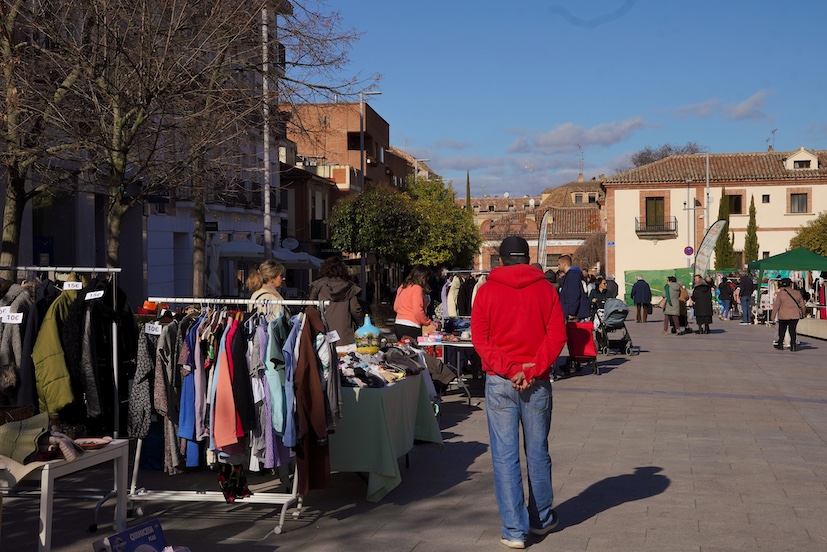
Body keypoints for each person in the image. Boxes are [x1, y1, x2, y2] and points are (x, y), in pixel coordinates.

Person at [471, 236, 566, 549]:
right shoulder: (547, 290)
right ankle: (540, 518)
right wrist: (533, 368)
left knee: (505, 455)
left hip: (501, 381)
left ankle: (514, 530)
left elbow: (480, 339)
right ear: (527, 259)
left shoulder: (486, 292)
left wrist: (510, 369)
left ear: (500, 260)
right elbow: (557, 336)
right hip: (536, 381)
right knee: (538, 452)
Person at [308, 256, 363, 346]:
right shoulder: (349, 287)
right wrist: (362, 323)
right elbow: (355, 309)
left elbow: (311, 308)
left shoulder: (318, 286)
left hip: (323, 331)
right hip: (345, 333)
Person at [393, 265, 436, 341]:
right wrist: (427, 322)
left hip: (398, 324)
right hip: (412, 326)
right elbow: (418, 311)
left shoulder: (402, 287)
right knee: (417, 350)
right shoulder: (417, 289)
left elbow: (396, 307)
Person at [771, 277, 805, 351]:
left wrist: (772, 316)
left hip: (783, 315)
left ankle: (780, 344)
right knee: (792, 330)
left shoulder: (780, 294)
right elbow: (802, 305)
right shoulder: (797, 293)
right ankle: (793, 345)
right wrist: (803, 314)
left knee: (782, 330)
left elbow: (776, 305)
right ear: (790, 284)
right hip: (795, 315)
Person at [557, 255, 589, 321]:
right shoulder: (571, 275)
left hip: (573, 315)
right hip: (570, 312)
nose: (558, 266)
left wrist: (571, 312)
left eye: (559, 264)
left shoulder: (572, 276)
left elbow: (574, 295)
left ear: (564, 264)